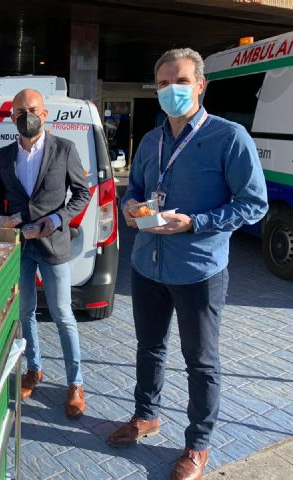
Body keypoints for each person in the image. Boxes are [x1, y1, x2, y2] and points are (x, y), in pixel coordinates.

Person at [107, 48, 268, 480]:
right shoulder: (150, 140)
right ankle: (147, 414)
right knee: (149, 348)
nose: (170, 91)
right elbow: (134, 190)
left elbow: (253, 204)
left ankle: (197, 444)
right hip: (147, 264)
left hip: (199, 268)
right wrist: (132, 207)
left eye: (179, 82)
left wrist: (194, 222)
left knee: (200, 361)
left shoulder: (229, 137)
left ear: (200, 85)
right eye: (162, 84)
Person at [0, 89, 91, 417]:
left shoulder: (65, 148)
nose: (26, 116)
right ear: (12, 116)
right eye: (19, 111)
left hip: (53, 244)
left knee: (63, 314)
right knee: (25, 312)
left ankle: (75, 382)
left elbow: (82, 193)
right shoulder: (4, 155)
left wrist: (57, 219)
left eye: (31, 110)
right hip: (20, 246)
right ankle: (34, 369)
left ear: (44, 113)